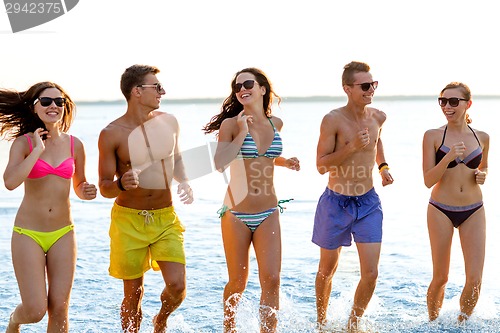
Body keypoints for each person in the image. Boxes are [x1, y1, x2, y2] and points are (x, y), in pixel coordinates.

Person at [203, 67, 300, 333]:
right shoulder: (231, 124)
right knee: (238, 282)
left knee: (272, 279)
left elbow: (262, 156)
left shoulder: (275, 123)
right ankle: (230, 330)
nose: (242, 89)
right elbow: (221, 163)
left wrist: (285, 162)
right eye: (237, 87)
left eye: (247, 83)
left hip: (269, 210)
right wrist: (242, 132)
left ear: (262, 89)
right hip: (236, 214)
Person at [98, 64, 193, 333]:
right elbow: (105, 187)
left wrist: (184, 180)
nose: (163, 92)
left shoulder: (169, 122)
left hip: (165, 216)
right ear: (137, 91)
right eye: (157, 87)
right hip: (128, 221)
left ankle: (160, 320)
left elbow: (176, 158)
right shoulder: (112, 133)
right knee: (133, 294)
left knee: (177, 286)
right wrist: (121, 184)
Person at [1, 81, 97, 333]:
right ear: (34, 108)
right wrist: (37, 151)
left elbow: (79, 185)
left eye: (59, 102)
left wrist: (87, 191)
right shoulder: (24, 144)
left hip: (63, 233)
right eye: (46, 101)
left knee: (60, 309)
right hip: (28, 234)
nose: (53, 106)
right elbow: (10, 182)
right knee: (35, 311)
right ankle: (14, 320)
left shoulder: (76, 145)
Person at [312, 61, 393, 332]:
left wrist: (383, 166)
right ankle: (322, 323)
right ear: (347, 88)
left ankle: (353, 325)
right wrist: (351, 147)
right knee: (327, 269)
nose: (371, 90)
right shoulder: (332, 120)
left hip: (368, 203)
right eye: (365, 85)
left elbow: (377, 139)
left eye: (374, 84)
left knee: (371, 274)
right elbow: (321, 165)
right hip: (336, 202)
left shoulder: (379, 117)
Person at [422, 82, 489, 322]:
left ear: (467, 104)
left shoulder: (482, 137)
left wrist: (483, 175)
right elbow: (428, 180)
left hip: (474, 210)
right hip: (440, 209)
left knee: (475, 278)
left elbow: (484, 168)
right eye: (442, 101)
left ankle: (462, 324)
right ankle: (432, 323)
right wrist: (448, 157)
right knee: (441, 277)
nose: (447, 106)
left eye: (453, 101)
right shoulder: (432, 136)